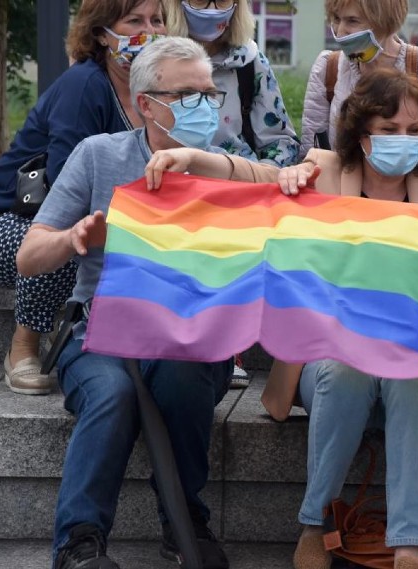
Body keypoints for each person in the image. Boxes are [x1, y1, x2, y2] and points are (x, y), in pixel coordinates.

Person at [144, 67, 418, 569]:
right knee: (348, 370)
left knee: (410, 376)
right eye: (390, 130)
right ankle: (314, 526)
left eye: (415, 131)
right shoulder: (322, 170)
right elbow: (248, 177)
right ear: (361, 133)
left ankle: (409, 544)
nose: (404, 140)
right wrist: (190, 156)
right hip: (333, 356)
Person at [15, 36, 277, 569]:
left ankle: (185, 524)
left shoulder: (223, 165)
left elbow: (285, 184)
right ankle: (80, 543)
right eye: (186, 96)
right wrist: (76, 238)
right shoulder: (99, 155)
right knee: (111, 392)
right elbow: (28, 257)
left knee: (182, 378)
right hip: (100, 331)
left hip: (191, 334)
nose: (204, 106)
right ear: (145, 103)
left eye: (209, 94)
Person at [0, 0, 165, 395]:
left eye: (157, 20)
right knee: (71, 236)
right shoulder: (85, 85)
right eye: (134, 21)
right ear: (101, 33)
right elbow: (65, 187)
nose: (150, 31)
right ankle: (23, 345)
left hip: (89, 215)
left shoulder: (155, 90)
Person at [164, 0, 301, 388]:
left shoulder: (249, 61)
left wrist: (269, 176)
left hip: (236, 182)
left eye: (223, 0)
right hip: (171, 174)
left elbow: (279, 139)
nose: (212, 9)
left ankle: (229, 342)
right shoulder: (156, 53)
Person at [298, 0, 418, 212]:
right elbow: (310, 152)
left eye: (352, 21)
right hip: (343, 207)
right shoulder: (327, 68)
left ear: (384, 21)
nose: (341, 31)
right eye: (337, 19)